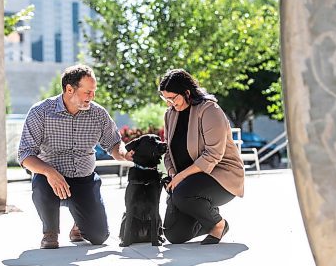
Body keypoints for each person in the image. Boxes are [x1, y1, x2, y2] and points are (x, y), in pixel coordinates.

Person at [18, 64, 132, 249]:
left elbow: (113, 143)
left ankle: (79, 223)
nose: (92, 97)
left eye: (94, 92)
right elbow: (25, 154)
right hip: (50, 179)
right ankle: (50, 232)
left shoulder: (98, 114)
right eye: (87, 92)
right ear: (69, 89)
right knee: (41, 185)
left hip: (84, 179)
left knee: (99, 236)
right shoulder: (40, 112)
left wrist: (123, 153)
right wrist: (49, 172)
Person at [158, 68, 245, 245]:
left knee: (182, 194)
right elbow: (167, 150)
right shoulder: (170, 115)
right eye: (165, 99)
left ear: (186, 92)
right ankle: (205, 213)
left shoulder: (209, 110)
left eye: (172, 98)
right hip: (187, 184)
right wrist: (173, 173)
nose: (169, 103)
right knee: (175, 235)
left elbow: (213, 154)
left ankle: (218, 224)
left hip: (221, 176)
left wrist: (181, 178)